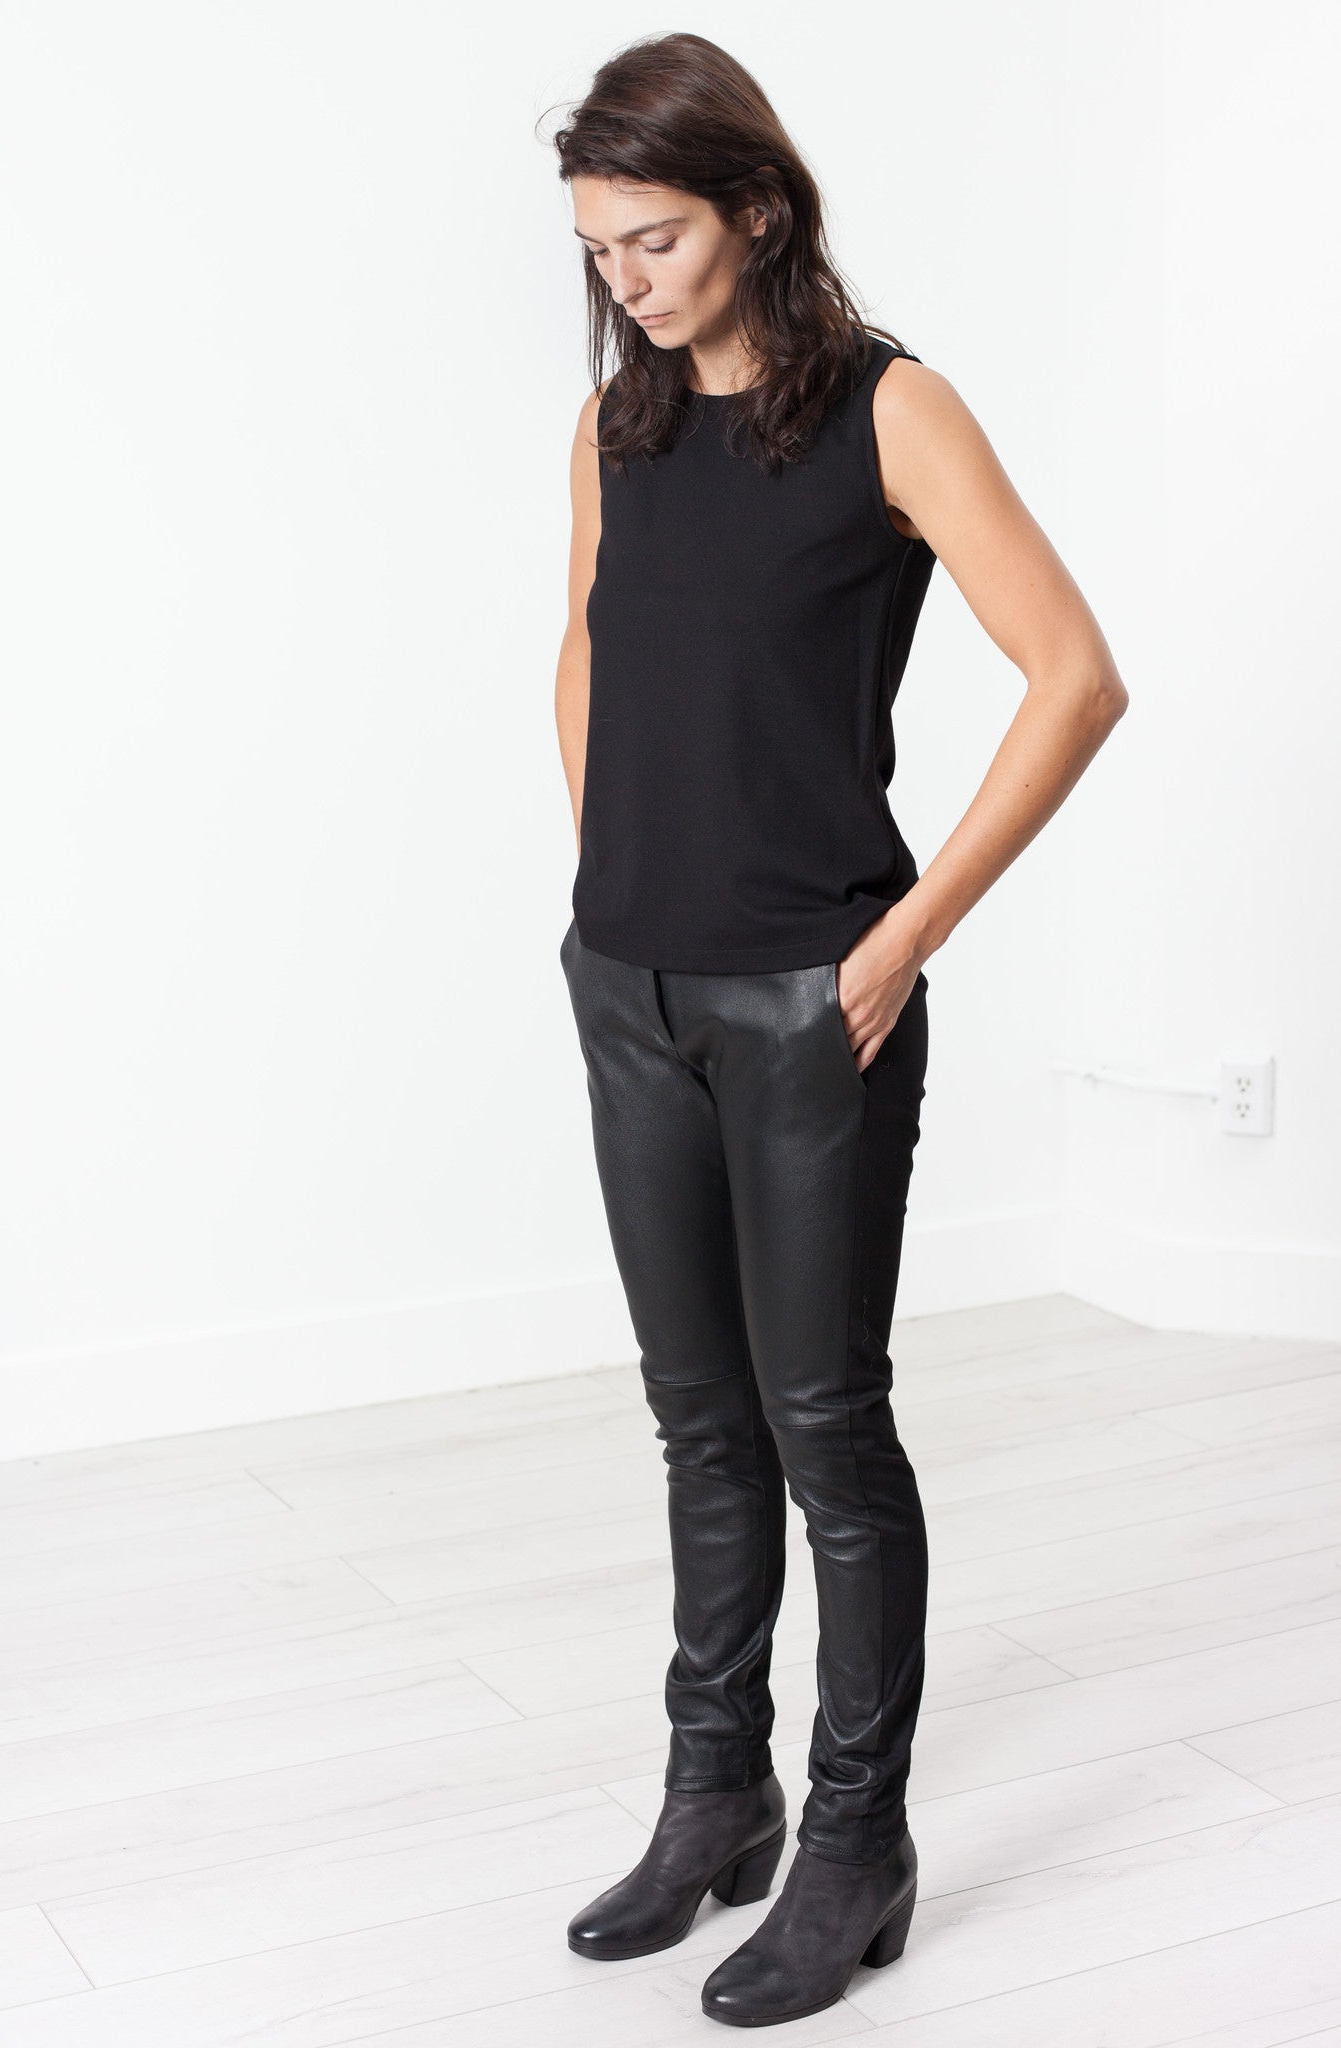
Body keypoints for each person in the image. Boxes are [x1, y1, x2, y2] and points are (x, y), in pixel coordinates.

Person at [549, 32, 1127, 2030]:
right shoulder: (614, 425)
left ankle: (856, 1836)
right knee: (696, 1420)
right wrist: (614, 891)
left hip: (816, 1001)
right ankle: (715, 1793)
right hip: (630, 989)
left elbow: (1075, 676)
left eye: (654, 237)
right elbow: (585, 652)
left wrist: (896, 944)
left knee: (825, 1430)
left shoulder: (894, 410)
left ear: (758, 209)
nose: (625, 276)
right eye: (598, 247)